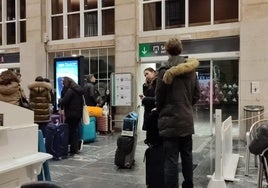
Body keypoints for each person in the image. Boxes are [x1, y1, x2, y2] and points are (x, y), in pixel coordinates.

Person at [155, 37, 201, 188]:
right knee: (187, 156)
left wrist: (162, 110)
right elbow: (196, 95)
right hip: (186, 121)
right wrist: (187, 105)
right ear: (181, 50)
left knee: (171, 160)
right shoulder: (191, 71)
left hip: (169, 122)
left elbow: (159, 97)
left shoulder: (163, 71)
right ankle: (188, 185)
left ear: (167, 51)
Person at [58, 77, 84, 155]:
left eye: (63, 82)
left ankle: (71, 148)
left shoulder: (70, 91)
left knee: (70, 131)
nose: (62, 84)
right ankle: (75, 148)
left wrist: (60, 101)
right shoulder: (78, 90)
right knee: (75, 131)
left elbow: (65, 101)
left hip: (71, 114)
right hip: (78, 113)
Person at [139, 67, 160, 145]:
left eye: (147, 73)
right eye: (145, 75)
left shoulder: (158, 83)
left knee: (154, 137)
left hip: (155, 113)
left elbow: (158, 98)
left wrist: (145, 98)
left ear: (153, 72)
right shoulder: (146, 85)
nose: (146, 76)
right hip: (148, 113)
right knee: (150, 136)